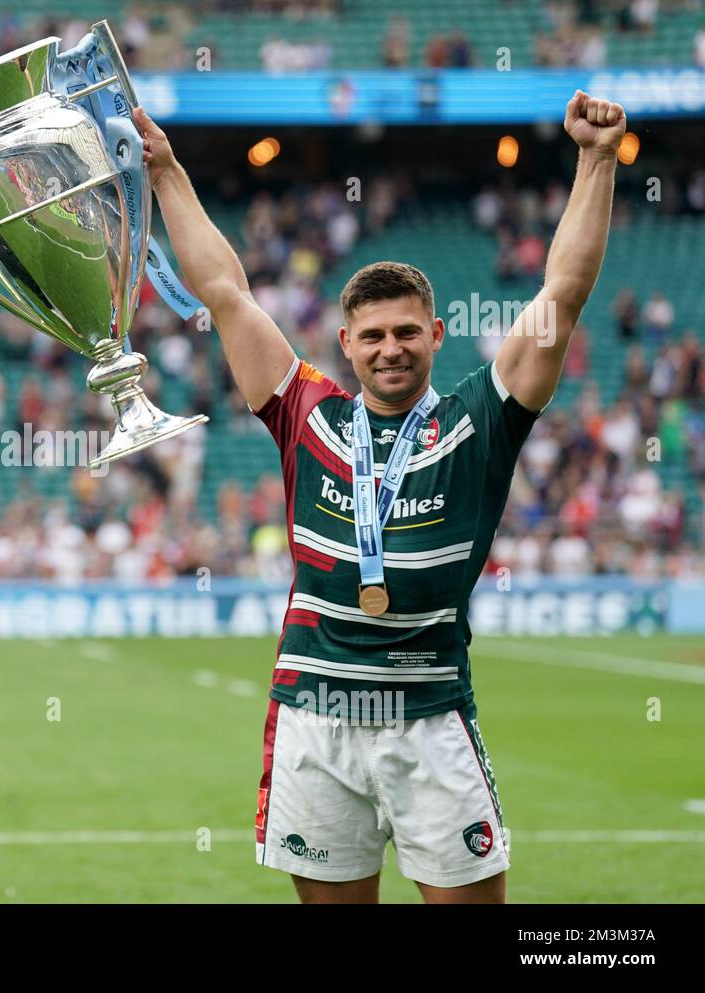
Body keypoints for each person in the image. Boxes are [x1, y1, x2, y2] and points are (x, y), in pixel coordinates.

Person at [136, 89, 625, 903]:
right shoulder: (307, 414)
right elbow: (226, 290)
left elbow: (562, 296)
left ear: (436, 335)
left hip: (429, 716)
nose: (390, 349)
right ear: (346, 344)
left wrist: (598, 159)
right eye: (373, 335)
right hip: (314, 719)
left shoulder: (480, 421)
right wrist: (167, 171)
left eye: (407, 332)